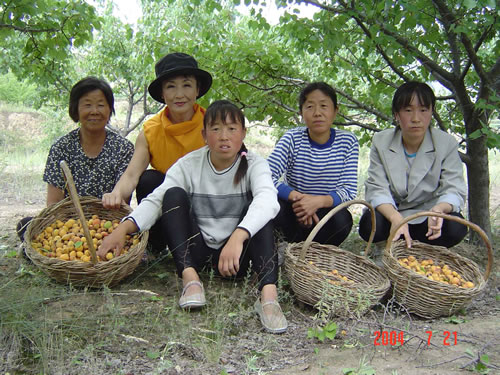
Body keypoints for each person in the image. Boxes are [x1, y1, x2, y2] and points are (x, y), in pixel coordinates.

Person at [98, 100, 287, 334]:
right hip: (198, 251)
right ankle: (190, 279)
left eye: (231, 129)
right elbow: (157, 199)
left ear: (243, 134)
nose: (224, 136)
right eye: (216, 129)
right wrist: (123, 228)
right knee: (172, 194)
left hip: (236, 257)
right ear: (204, 135)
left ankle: (268, 297)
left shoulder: (254, 164)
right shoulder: (190, 164)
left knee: (262, 209)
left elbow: (268, 199)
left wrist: (238, 237)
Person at [101, 52, 212, 252]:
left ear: (197, 89)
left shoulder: (212, 124)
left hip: (206, 202)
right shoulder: (150, 130)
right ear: (162, 93)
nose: (179, 94)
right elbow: (132, 174)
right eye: (171, 86)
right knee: (149, 179)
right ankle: (156, 245)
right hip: (166, 201)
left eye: (186, 85)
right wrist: (116, 194)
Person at [16, 77, 134, 240]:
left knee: (132, 233)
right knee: (26, 225)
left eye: (101, 105)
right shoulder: (61, 147)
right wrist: (70, 231)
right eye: (87, 105)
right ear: (76, 110)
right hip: (68, 225)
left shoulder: (123, 148)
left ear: (109, 110)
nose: (94, 111)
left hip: (108, 225)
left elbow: (122, 204)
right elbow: (53, 204)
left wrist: (97, 228)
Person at [358, 81, 467, 249]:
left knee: (456, 226)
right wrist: (396, 218)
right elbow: (377, 188)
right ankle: (387, 250)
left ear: (431, 112)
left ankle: (428, 252)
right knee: (369, 223)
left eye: (423, 110)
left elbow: (454, 188)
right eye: (408, 110)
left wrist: (438, 210)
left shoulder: (446, 143)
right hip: (393, 212)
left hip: (427, 215)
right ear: (396, 114)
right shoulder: (381, 141)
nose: (416, 118)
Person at [267, 82, 359, 246]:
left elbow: (348, 190)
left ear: (335, 111)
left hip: (324, 214)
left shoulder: (348, 142)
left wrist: (317, 202)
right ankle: (286, 247)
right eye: (310, 107)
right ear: (301, 112)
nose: (317, 113)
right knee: (272, 205)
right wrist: (298, 198)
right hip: (294, 209)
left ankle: (318, 252)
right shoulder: (292, 139)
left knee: (342, 219)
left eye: (324, 106)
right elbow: (266, 175)